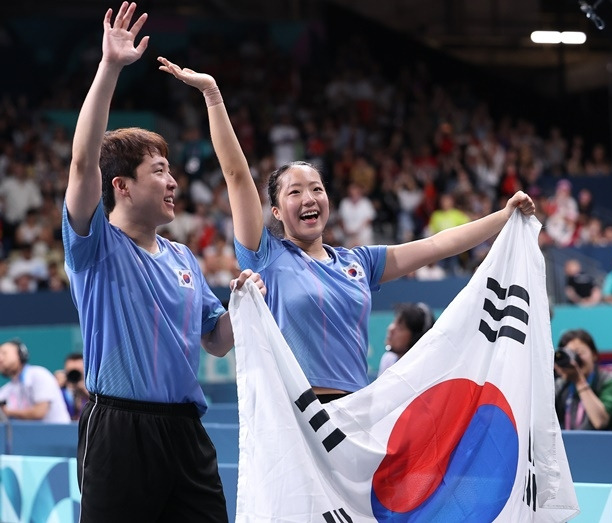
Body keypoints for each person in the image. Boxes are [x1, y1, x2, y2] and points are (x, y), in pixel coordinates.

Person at [158, 56, 535, 405]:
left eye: (317, 189)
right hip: (295, 416)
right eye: (295, 191)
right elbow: (237, 177)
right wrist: (212, 95)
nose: (309, 198)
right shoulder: (265, 254)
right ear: (275, 210)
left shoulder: (359, 262)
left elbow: (437, 244)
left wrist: (502, 217)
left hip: (355, 412)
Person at [63, 4, 265, 522]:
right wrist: (110, 67)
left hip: (186, 434)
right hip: (120, 431)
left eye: (171, 170)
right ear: (122, 186)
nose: (173, 181)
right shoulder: (95, 244)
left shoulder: (184, 258)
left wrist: (245, 305)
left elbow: (216, 343)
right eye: (159, 170)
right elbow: (84, 161)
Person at [554, 329, 612, 431]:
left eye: (578, 352)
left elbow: (600, 421)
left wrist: (579, 381)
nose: (574, 360)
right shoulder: (561, 385)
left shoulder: (610, 382)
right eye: (569, 354)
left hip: (607, 445)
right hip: (570, 445)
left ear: (594, 355)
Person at [0, 339, 71, 423]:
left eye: (4, 353)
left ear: (21, 354)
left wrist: (8, 412)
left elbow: (39, 412)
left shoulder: (39, 374)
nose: (0, 359)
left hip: (59, 434)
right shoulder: (7, 389)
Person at [377, 302, 434, 377]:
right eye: (394, 322)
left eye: (400, 328)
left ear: (416, 338)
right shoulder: (388, 359)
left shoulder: (426, 371)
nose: (391, 329)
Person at [59, 351, 89, 420]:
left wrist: (88, 395)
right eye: (71, 372)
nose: (75, 375)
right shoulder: (58, 392)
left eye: (78, 371)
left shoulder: (93, 395)